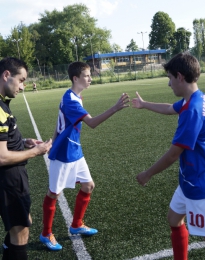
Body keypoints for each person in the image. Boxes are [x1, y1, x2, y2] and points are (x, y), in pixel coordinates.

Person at [132, 52, 205, 260]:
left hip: (202, 184)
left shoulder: (193, 110)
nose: (169, 84)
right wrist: (144, 104)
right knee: (174, 219)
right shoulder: (196, 98)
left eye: (169, 78)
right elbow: (170, 108)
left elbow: (173, 154)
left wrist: (148, 174)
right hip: (190, 179)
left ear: (179, 76)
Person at [40, 61, 130, 251]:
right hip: (64, 153)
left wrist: (52, 140)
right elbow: (92, 123)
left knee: (88, 186)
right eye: (87, 75)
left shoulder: (74, 96)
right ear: (76, 78)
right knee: (53, 193)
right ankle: (46, 233)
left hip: (75, 151)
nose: (90, 78)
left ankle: (76, 224)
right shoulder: (71, 100)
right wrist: (115, 108)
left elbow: (59, 125)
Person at [0, 57, 52, 260]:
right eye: (21, 80)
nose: (22, 87)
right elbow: (2, 157)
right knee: (20, 233)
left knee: (23, 221)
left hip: (8, 179)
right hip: (9, 180)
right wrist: (36, 152)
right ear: (6, 75)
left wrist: (22, 142)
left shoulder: (3, 104)